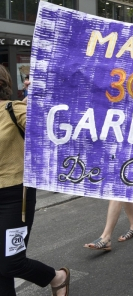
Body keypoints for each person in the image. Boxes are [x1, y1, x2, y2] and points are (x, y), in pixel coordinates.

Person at [0, 66, 70, 296]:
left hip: (14, 198)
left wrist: (43, 98)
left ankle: (57, 277)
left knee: (12, 262)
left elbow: (51, 130)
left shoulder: (14, 108)